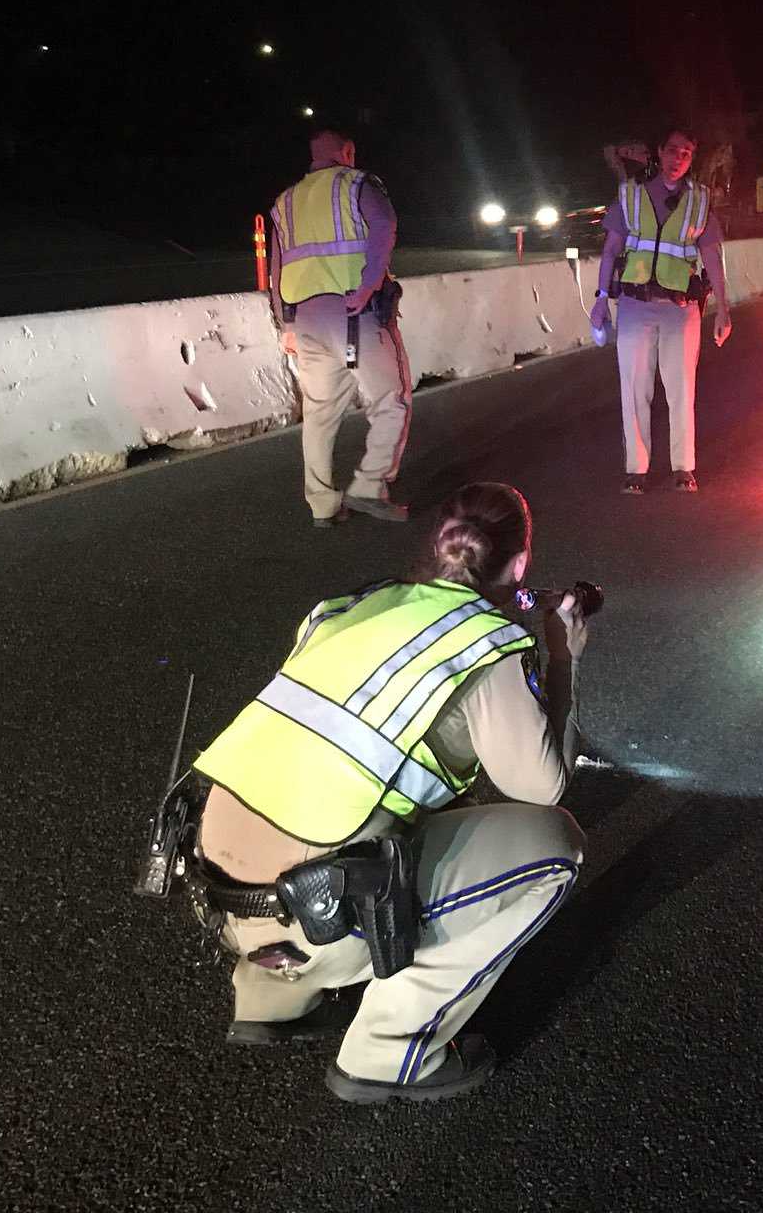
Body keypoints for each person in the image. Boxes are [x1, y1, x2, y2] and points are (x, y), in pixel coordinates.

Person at [188, 482, 588, 1104]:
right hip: (318, 914)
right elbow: (543, 785)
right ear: (517, 567)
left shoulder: (348, 605)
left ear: (437, 549)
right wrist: (562, 653)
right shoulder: (482, 644)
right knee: (554, 846)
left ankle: (271, 996)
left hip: (219, 893)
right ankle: (389, 1051)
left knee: (344, 813)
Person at [267, 130, 412, 525]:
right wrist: (369, 285)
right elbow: (384, 225)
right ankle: (370, 485)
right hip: (354, 314)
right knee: (390, 401)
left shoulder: (285, 202)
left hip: (307, 322)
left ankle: (321, 504)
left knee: (319, 415)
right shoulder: (357, 183)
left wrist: (286, 322)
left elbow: (277, 266)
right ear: (346, 152)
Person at [589, 127, 732, 494]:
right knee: (634, 387)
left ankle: (684, 468)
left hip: (680, 309)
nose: (678, 159)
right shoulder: (633, 197)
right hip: (636, 304)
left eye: (686, 153)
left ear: (691, 158)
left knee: (681, 388)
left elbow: (712, 257)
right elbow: (610, 250)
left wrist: (724, 308)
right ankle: (636, 470)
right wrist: (601, 298)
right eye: (672, 150)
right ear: (659, 152)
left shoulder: (700, 201)